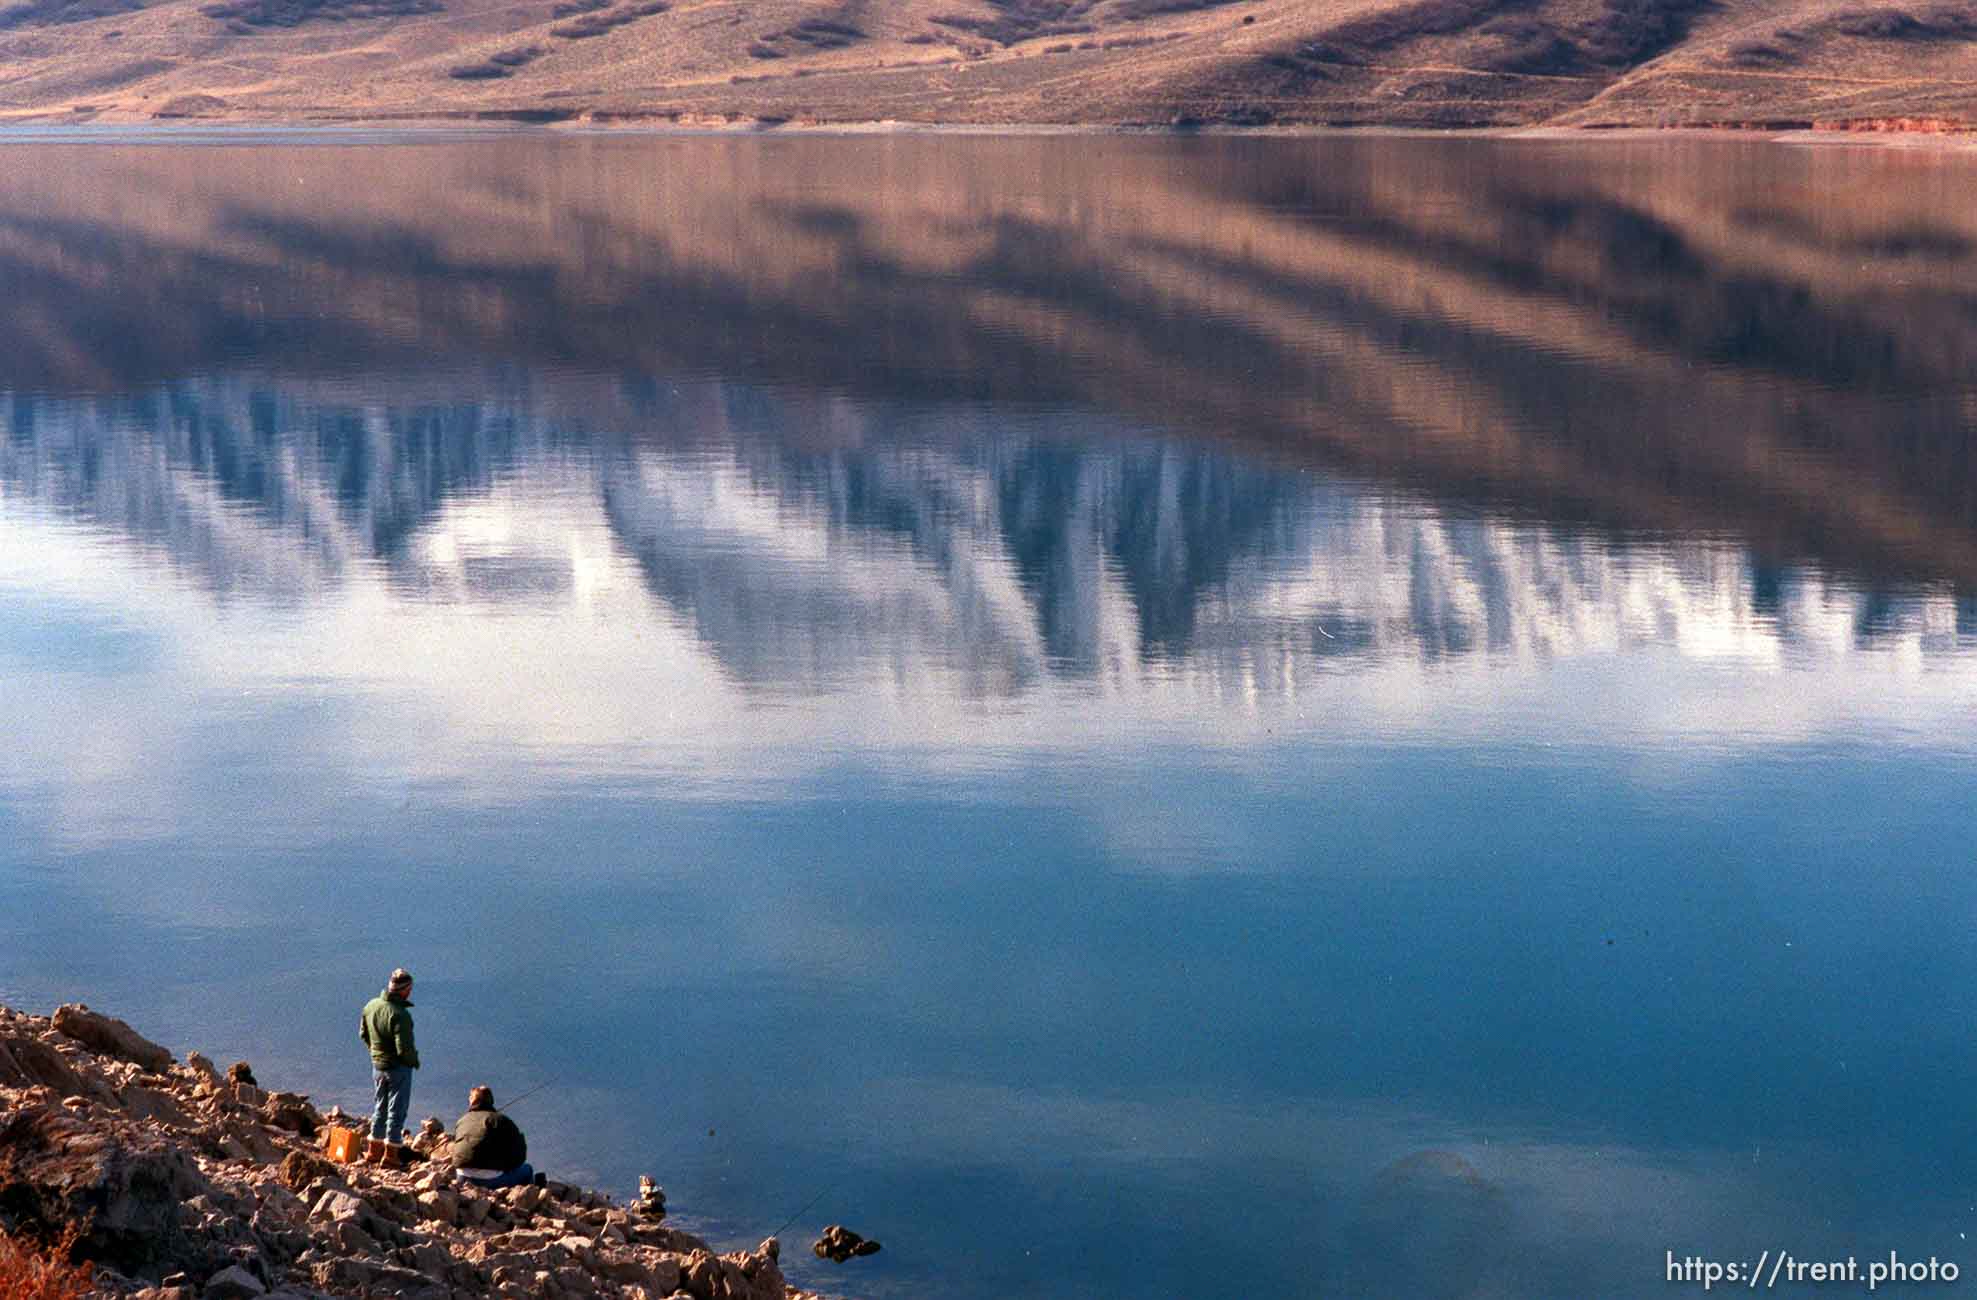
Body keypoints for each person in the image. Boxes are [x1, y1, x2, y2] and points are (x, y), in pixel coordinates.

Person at [359, 967, 419, 1164]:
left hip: (378, 1066)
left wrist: (375, 1053)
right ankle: (391, 1155)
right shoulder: (401, 1015)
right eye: (409, 988)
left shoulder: (371, 1006)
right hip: (397, 1068)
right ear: (405, 990)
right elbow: (404, 1049)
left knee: (379, 1107)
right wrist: (413, 1062)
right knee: (397, 1110)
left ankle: (373, 1151)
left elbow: (363, 1034)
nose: (410, 991)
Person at [450, 1085, 537, 1188]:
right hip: (489, 1181)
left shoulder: (462, 1120)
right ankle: (530, 1199)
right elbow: (520, 1154)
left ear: (471, 1101)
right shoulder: (501, 1120)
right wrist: (506, 1165)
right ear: (491, 1101)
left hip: (462, 1177)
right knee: (527, 1169)